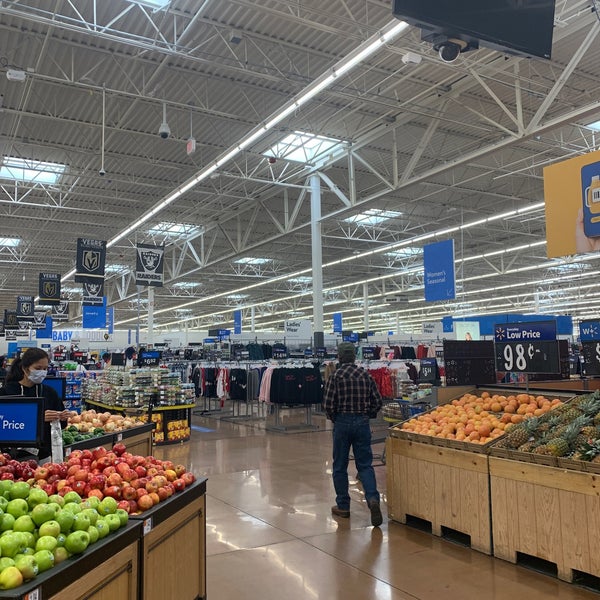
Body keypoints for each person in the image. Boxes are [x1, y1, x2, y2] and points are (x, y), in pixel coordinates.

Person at [323, 342, 383, 527]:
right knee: (365, 465)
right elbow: (377, 401)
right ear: (354, 357)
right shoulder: (365, 375)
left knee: (340, 465)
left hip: (342, 423)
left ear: (340, 357)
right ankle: (372, 499)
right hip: (362, 423)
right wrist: (367, 415)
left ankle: (343, 506)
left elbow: (328, 405)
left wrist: (336, 418)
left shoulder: (336, 376)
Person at [0, 348, 71, 461]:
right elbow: (5, 424)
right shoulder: (6, 392)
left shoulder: (50, 393)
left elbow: (62, 426)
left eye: (45, 368)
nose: (42, 372)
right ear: (25, 368)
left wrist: (60, 418)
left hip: (43, 456)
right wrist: (38, 418)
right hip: (11, 457)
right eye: (38, 368)